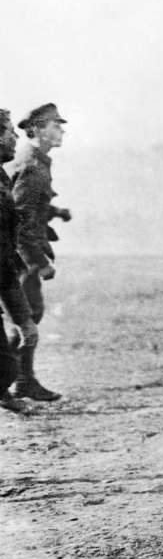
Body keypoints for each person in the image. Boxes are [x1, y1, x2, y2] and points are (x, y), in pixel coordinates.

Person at [9, 103, 71, 401]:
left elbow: (30, 205)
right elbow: (18, 219)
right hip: (20, 258)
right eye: (54, 125)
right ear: (37, 129)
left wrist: (55, 210)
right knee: (26, 319)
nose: (61, 130)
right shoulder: (32, 165)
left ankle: (21, 380)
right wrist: (38, 262)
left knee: (27, 317)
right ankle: (19, 381)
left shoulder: (37, 161)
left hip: (19, 255)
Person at [0, 110, 38, 413]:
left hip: (5, 271)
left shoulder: (1, 176)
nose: (15, 137)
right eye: (9, 131)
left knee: (23, 336)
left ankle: (10, 390)